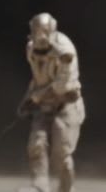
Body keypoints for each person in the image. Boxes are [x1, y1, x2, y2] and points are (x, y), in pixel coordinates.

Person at [21, 13, 85, 192]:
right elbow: (38, 78)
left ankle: (66, 188)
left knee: (62, 154)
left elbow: (61, 86)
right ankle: (40, 186)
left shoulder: (66, 52)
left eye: (44, 31)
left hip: (66, 106)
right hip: (44, 106)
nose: (40, 35)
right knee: (36, 145)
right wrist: (28, 97)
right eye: (36, 31)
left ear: (52, 31)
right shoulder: (31, 48)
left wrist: (36, 97)